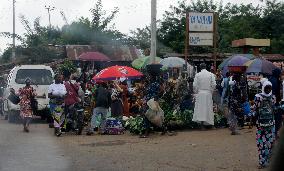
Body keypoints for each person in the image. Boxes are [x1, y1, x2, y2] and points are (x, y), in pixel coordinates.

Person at [253, 81, 276, 169]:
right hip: (271, 123)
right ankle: (268, 161)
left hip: (261, 124)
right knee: (269, 143)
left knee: (261, 144)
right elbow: (274, 109)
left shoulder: (258, 97)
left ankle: (262, 162)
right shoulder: (273, 97)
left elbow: (255, 110)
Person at [192, 63, 216, 129]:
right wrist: (211, 91)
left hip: (200, 93)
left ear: (200, 68)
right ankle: (211, 125)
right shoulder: (211, 74)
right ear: (206, 67)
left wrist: (197, 91)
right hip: (208, 93)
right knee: (209, 108)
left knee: (201, 109)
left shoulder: (197, 75)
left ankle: (202, 125)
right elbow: (214, 84)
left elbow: (194, 85)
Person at [269, 68, 282, 138]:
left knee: (272, 118)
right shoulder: (275, 81)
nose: (281, 75)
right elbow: (275, 93)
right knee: (277, 118)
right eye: (280, 73)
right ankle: (275, 132)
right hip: (275, 102)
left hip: (271, 102)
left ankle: (273, 132)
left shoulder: (270, 79)